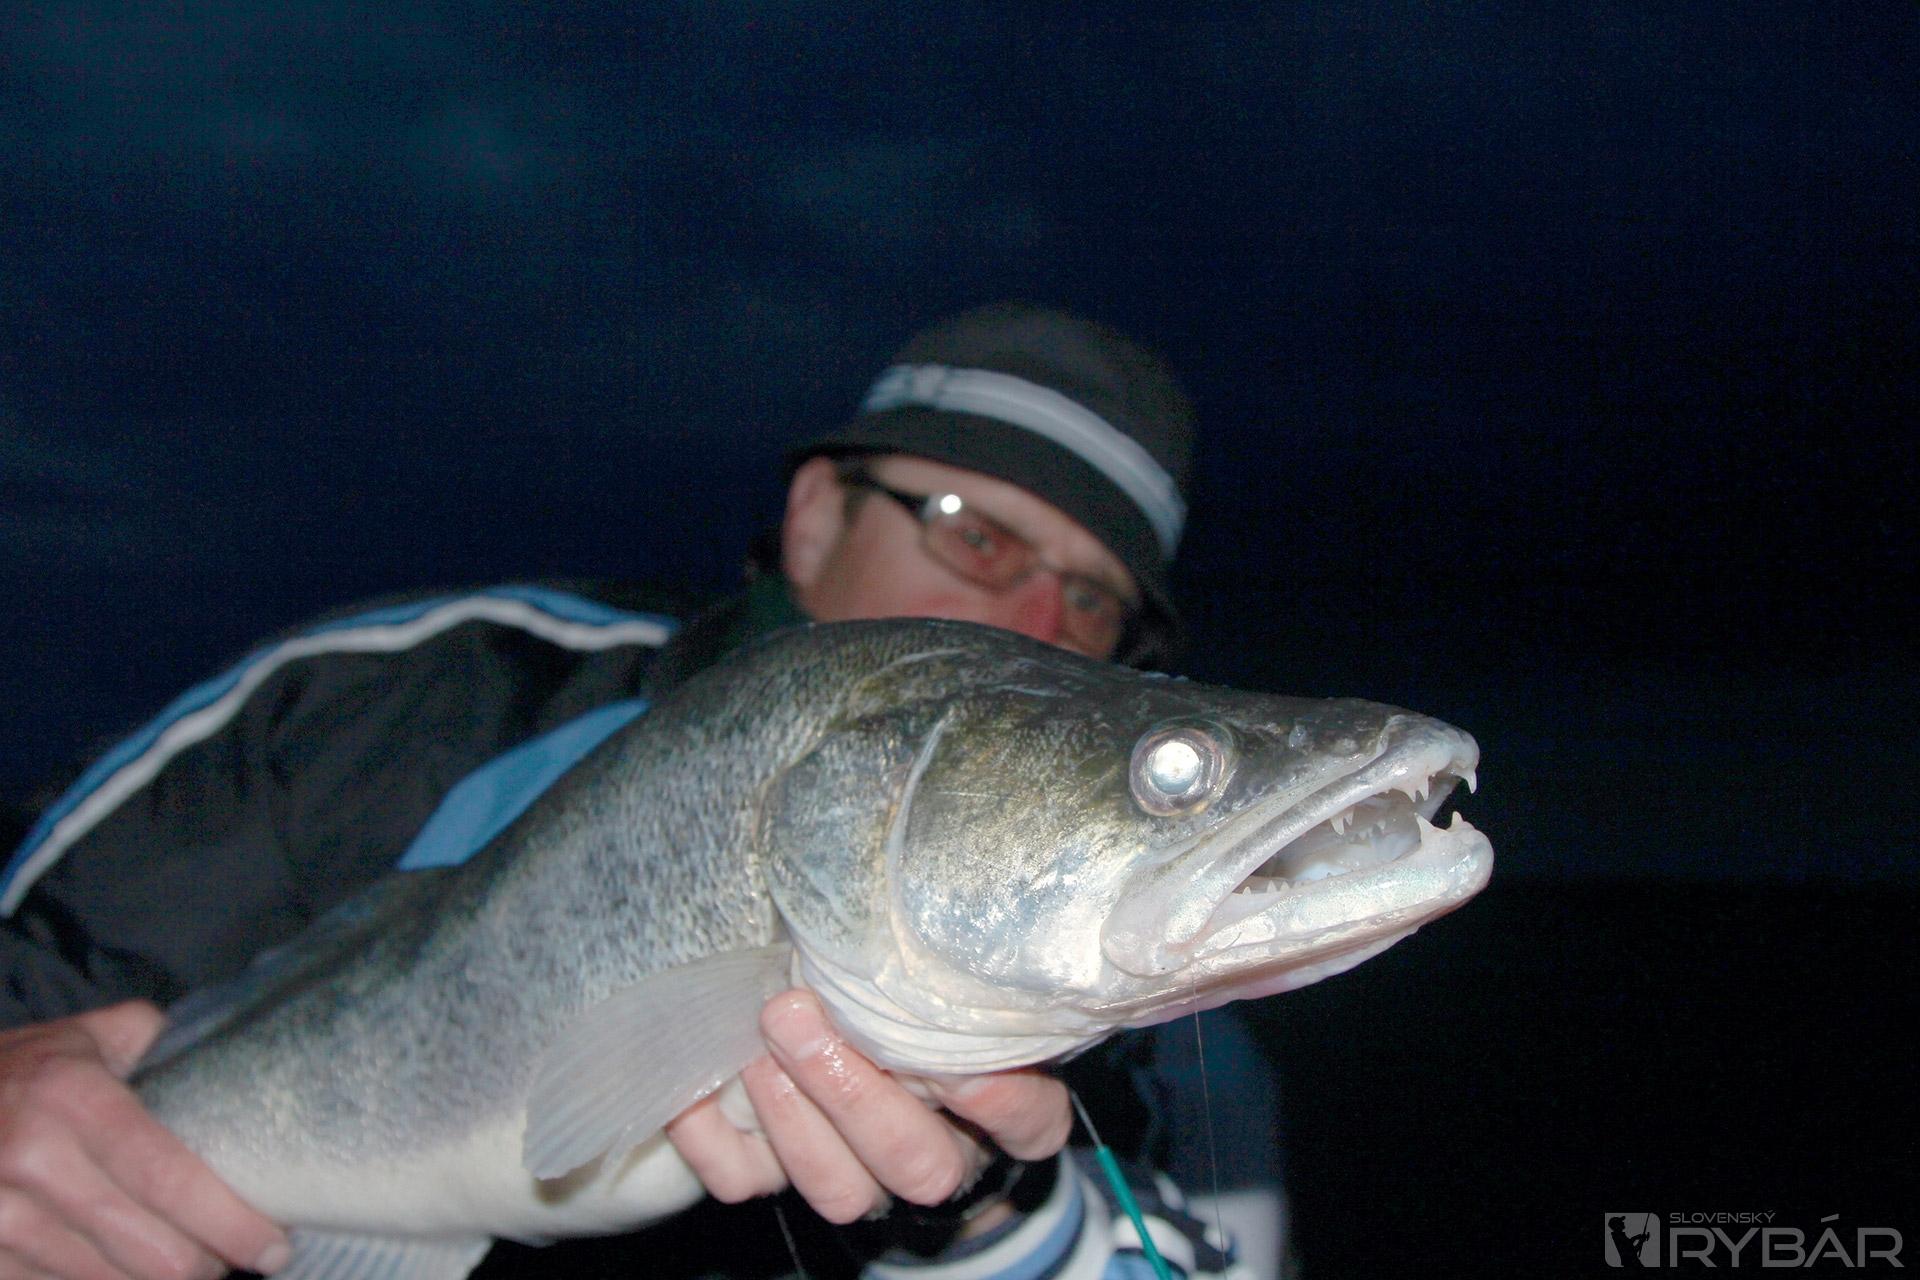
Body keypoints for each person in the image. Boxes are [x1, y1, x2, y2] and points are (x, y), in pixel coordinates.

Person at [0, 304, 1281, 1280]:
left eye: (1095, 598)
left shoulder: (1167, 996)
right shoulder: (392, 700)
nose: (1036, 621)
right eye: (975, 532)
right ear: (816, 517)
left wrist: (983, 1216)